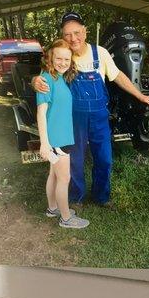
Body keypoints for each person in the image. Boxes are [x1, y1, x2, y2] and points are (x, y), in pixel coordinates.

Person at [33, 12, 149, 205]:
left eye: (76, 32)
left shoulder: (101, 53)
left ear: (85, 31)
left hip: (99, 118)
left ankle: (101, 197)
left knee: (104, 160)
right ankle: (76, 197)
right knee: (75, 161)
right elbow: (46, 75)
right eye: (67, 35)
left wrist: (140, 95)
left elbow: (118, 76)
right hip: (73, 120)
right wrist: (36, 81)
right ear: (62, 37)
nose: (73, 38)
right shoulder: (64, 56)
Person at [36, 38, 89, 228]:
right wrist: (44, 143)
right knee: (64, 179)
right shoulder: (45, 80)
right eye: (58, 58)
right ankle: (66, 218)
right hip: (56, 140)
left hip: (60, 138)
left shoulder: (58, 78)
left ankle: (53, 209)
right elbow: (41, 113)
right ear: (50, 58)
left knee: (54, 175)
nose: (63, 63)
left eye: (67, 59)